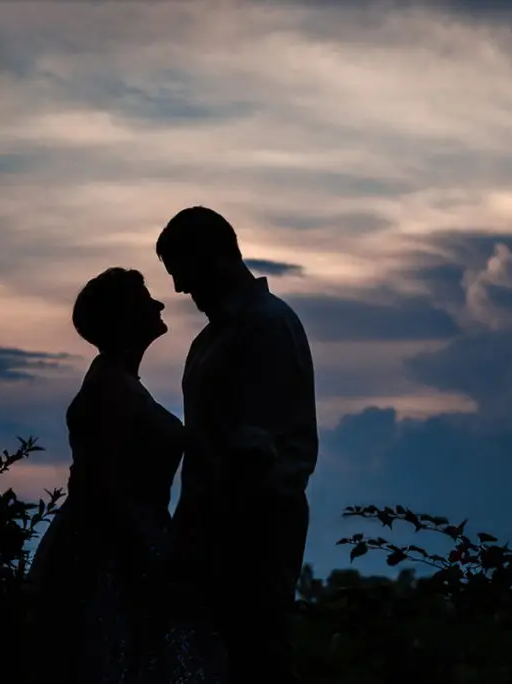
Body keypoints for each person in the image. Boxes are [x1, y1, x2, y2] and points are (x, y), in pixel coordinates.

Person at [25, 267, 227, 684]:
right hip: (116, 552)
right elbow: (105, 488)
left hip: (132, 541)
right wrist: (146, 566)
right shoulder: (110, 390)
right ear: (124, 317)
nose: (158, 303)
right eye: (145, 299)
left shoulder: (119, 383)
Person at [157, 207, 319, 684]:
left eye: (182, 272)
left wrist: (205, 542)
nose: (179, 290)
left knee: (254, 660)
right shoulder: (218, 336)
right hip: (222, 536)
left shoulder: (264, 326)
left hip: (249, 537)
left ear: (216, 259)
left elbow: (256, 453)